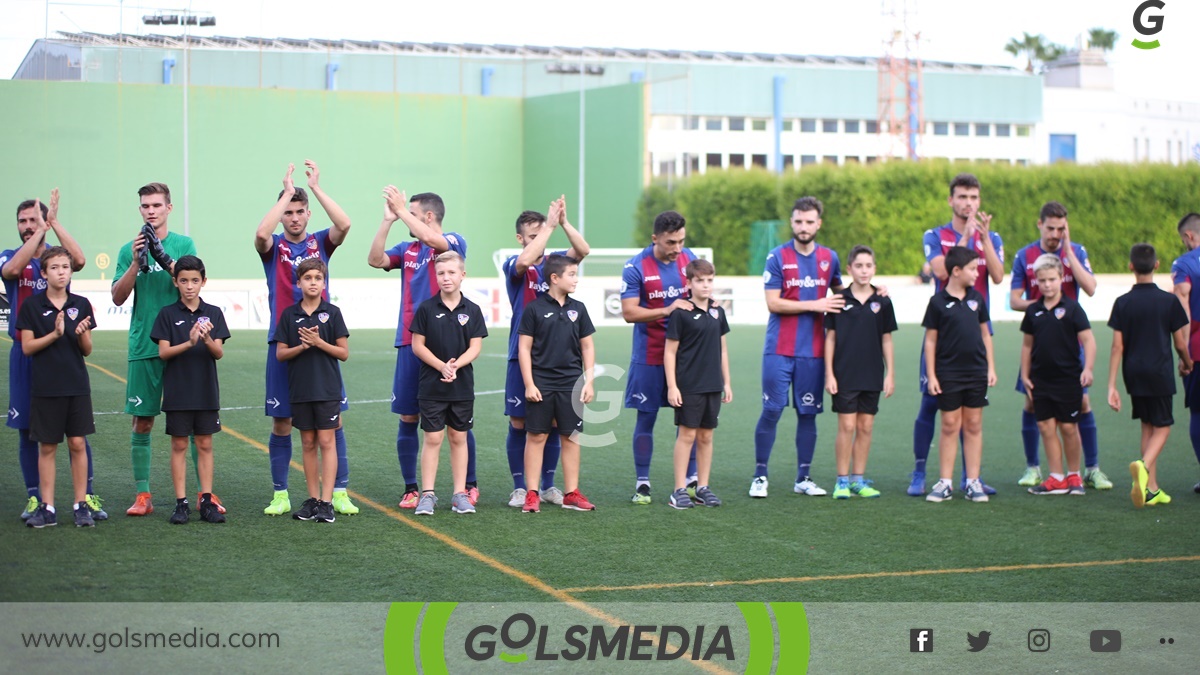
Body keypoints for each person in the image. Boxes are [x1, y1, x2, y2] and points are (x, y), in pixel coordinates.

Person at [112, 183, 223, 516]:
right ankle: (143, 495)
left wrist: (162, 255)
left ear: (168, 208)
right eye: (145, 205)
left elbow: (189, 277)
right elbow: (117, 297)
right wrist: (136, 262)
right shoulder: (125, 250)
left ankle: (204, 495)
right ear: (141, 209)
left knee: (190, 423)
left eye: (157, 205)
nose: (151, 210)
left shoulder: (183, 243)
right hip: (144, 344)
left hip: (181, 345)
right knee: (143, 421)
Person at [255, 161, 357, 517]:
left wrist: (314, 187)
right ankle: (281, 493)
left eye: (300, 212)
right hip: (283, 342)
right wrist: (284, 194)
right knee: (282, 421)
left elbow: (344, 224)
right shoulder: (275, 247)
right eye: (289, 212)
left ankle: (339, 492)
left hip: (323, 343)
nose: (294, 217)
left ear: (309, 214)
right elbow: (260, 235)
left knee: (333, 421)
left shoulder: (320, 244)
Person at [1, 192, 105, 521]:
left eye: (34, 220)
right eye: (23, 221)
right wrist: (37, 237)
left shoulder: (59, 260)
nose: (28, 226)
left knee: (76, 431)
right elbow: (12, 270)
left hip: (62, 356)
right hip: (26, 353)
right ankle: (36, 499)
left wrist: (53, 226)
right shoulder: (10, 254)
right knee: (28, 428)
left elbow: (80, 259)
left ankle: (85, 497)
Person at [368, 188, 472, 509]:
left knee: (458, 420)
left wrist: (401, 210)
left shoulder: (453, 241)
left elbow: (439, 244)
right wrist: (388, 221)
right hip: (410, 342)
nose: (404, 217)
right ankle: (412, 488)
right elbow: (375, 260)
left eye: (410, 212)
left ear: (427, 216)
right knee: (409, 416)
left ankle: (468, 486)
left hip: (451, 344)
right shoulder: (407, 249)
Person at [911, 173, 1004, 497]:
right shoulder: (935, 235)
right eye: (962, 197)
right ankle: (921, 472)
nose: (968, 203)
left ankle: (970, 478)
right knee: (930, 404)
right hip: (944, 333)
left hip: (977, 336)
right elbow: (940, 270)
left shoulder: (992, 237)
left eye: (974, 197)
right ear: (951, 200)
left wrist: (985, 238)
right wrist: (965, 236)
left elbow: (997, 275)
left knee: (972, 413)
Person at [1009, 201, 1109, 490]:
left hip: (1070, 344)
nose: (1055, 233)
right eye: (1051, 228)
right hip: (1039, 343)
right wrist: (1044, 309)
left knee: (1083, 404)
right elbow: (1015, 300)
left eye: (1061, 228)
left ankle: (1091, 469)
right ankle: (1034, 468)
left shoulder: (1076, 251)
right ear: (1039, 224)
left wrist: (1067, 253)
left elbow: (1090, 288)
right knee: (1031, 403)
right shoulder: (1025, 255)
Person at [749, 196, 842, 498]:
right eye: (799, 221)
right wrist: (815, 303)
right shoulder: (777, 256)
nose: (804, 227)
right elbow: (773, 302)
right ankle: (760, 476)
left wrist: (874, 289)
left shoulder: (830, 258)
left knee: (808, 414)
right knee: (772, 410)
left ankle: (803, 478)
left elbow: (843, 296)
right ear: (791, 222)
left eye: (810, 221)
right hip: (779, 349)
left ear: (819, 223)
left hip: (813, 352)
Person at [501, 198, 589, 507]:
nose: (540, 239)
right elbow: (526, 262)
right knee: (520, 423)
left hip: (558, 360)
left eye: (542, 233)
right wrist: (549, 227)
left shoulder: (555, 265)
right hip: (522, 356)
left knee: (555, 424)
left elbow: (582, 250)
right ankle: (520, 487)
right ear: (521, 238)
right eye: (533, 234)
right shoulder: (515, 263)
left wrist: (563, 222)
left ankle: (549, 485)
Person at [621, 210, 699, 505]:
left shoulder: (688, 257)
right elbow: (629, 313)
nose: (677, 249)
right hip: (650, 354)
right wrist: (667, 309)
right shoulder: (636, 267)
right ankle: (643, 482)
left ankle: (690, 479)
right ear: (655, 239)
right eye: (670, 243)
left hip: (686, 356)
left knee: (689, 419)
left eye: (681, 241)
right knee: (647, 417)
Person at [16, 247, 96, 528]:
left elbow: (86, 351)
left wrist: (81, 334)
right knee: (47, 447)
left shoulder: (82, 304)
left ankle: (80, 504)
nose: (61, 271)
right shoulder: (32, 307)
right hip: (46, 387)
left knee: (77, 443)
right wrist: (55, 334)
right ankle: (47, 508)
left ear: (71, 271)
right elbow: (27, 347)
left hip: (76, 385)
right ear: (44, 273)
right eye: (55, 267)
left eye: (65, 266)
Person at [1107, 243, 1192, 508]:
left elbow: (1117, 346)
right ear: (1157, 265)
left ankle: (1150, 489)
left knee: (1147, 425)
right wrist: (1187, 362)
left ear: (1131, 266)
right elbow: (1179, 343)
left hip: (1133, 373)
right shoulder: (1169, 301)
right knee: (1163, 426)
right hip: (1159, 372)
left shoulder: (1122, 303)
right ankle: (1143, 466)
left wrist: (1112, 385)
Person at [151, 256, 230, 524]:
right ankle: (181, 503)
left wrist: (206, 338)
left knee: (205, 443)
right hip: (178, 392)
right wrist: (189, 341)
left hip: (206, 391)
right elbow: (163, 353)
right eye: (183, 281)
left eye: (195, 280)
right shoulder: (167, 314)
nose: (189, 286)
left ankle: (206, 500)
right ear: (175, 282)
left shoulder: (215, 313)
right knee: (179, 445)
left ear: (203, 282)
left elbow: (218, 353)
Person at [410, 252, 488, 515]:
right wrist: (441, 366)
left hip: (461, 386)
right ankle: (428, 495)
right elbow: (417, 345)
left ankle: (459, 494)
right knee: (432, 438)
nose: (446, 278)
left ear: (462, 275)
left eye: (452, 272)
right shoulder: (426, 309)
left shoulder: (473, 310)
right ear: (436, 275)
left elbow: (475, 346)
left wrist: (456, 365)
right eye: (441, 273)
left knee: (458, 437)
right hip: (431, 385)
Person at [518, 254, 596, 513]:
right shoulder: (534, 309)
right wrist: (529, 384)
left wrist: (589, 381)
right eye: (571, 274)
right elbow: (524, 348)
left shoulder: (579, 308)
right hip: (541, 383)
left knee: (572, 437)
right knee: (537, 436)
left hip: (571, 384)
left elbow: (587, 345)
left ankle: (571, 493)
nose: (576, 279)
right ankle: (532, 493)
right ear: (554, 278)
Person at [274, 259, 350, 523]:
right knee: (307, 443)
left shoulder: (333, 312)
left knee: (327, 442)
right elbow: (281, 354)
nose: (313, 282)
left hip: (327, 389)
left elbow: (343, 353)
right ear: (299, 283)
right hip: (301, 389)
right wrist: (303, 347)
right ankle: (313, 499)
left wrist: (318, 342)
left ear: (324, 282)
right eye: (308, 278)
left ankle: (327, 502)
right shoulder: (289, 315)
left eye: (318, 277)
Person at [921, 246, 996, 503]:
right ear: (956, 271)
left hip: (976, 372)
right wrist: (931, 375)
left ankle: (973, 482)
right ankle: (945, 482)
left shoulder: (977, 299)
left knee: (974, 425)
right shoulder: (937, 302)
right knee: (950, 425)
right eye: (973, 269)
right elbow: (930, 341)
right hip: (948, 373)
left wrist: (991, 368)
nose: (977, 273)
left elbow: (986, 334)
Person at [1019, 254, 1096, 496]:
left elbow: (1089, 341)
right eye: (1042, 281)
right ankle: (1056, 477)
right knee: (1045, 426)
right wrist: (1025, 375)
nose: (1047, 285)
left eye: (1052, 279)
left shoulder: (1073, 309)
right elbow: (1027, 346)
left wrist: (1088, 368)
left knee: (1069, 427)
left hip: (1068, 379)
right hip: (1041, 380)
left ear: (1061, 278)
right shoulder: (1033, 311)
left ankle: (1074, 475)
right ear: (1036, 282)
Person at [824, 245, 896, 499]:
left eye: (868, 266)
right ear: (849, 269)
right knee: (847, 425)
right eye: (859, 266)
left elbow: (886, 339)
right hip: (844, 374)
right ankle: (841, 480)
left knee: (865, 426)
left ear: (874, 268)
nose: (864, 271)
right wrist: (829, 374)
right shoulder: (839, 300)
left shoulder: (883, 301)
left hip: (872, 373)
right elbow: (830, 338)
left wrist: (890, 374)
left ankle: (858, 479)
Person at [664, 258, 731, 509]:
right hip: (688, 385)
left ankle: (702, 487)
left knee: (706, 437)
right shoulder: (681, 314)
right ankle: (678, 490)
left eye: (709, 280)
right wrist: (672, 386)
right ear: (689, 283)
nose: (706, 285)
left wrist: (727, 382)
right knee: (687, 435)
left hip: (713, 385)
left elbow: (722, 350)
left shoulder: (718, 311)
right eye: (700, 281)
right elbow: (670, 352)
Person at [1169, 212, 1200, 494]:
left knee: (1198, 412)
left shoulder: (1185, 263)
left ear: (1189, 236)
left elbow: (1184, 306)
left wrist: (1185, 353)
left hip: (1199, 349)